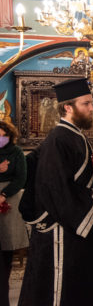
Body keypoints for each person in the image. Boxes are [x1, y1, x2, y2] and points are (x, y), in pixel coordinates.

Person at [17, 78, 93, 305]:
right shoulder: (60, 138)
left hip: (73, 229)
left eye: (92, 103)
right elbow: (53, 185)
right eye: (86, 103)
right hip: (61, 230)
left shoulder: (74, 135)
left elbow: (75, 175)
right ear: (68, 107)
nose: (92, 108)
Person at [0, 121, 27, 303]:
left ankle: (4, 292)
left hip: (9, 198)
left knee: (7, 245)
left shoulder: (16, 152)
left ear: (10, 137)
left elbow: (21, 178)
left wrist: (3, 195)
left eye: (3, 136)